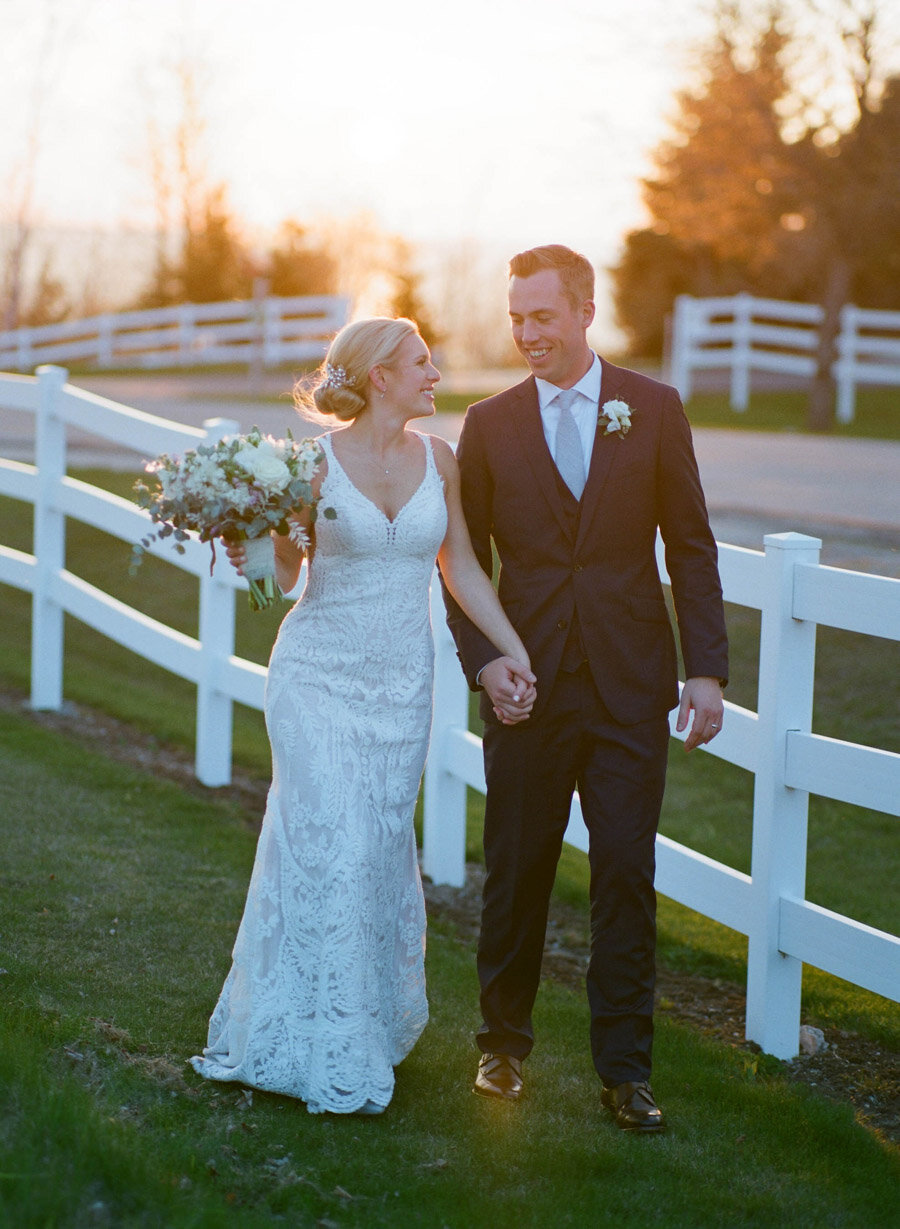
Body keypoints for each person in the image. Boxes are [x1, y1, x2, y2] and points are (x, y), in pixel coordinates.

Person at [190, 317, 535, 1116]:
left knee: (375, 850)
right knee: (335, 843)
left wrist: (511, 648)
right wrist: (253, 547)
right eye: (421, 362)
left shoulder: (439, 461)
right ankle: (327, 1051)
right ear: (381, 375)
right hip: (316, 677)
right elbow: (278, 578)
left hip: (400, 688)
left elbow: (463, 571)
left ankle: (356, 1025)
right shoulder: (309, 467)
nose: (436, 372)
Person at [443, 245, 728, 1132]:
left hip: (629, 685)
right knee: (518, 867)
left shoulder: (652, 409)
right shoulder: (488, 424)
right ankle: (501, 1047)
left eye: (542, 316)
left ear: (584, 312)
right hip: (527, 686)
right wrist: (486, 663)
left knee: (625, 876)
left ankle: (626, 1074)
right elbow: (462, 563)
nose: (527, 333)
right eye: (517, 317)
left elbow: (689, 546)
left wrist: (706, 668)